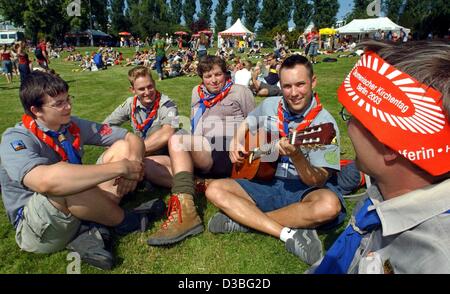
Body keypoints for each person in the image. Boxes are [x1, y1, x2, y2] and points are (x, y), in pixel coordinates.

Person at [0, 71, 165, 270]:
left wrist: (135, 164)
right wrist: (121, 168)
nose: (68, 106)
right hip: (37, 229)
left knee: (122, 148)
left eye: (68, 99)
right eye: (59, 103)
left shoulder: (70, 125)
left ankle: (95, 228)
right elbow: (44, 182)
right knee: (64, 178)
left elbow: (131, 138)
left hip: (73, 204)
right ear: (36, 110)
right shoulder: (16, 139)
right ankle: (125, 221)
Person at [311, 41, 450, 274]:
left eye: (354, 116)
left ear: (391, 146)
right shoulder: (382, 194)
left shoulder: (434, 261)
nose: (348, 124)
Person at [205, 55, 346, 266]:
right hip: (267, 183)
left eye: (300, 84)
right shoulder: (271, 104)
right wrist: (236, 139)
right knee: (214, 189)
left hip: (304, 191)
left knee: (329, 206)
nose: (294, 93)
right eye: (287, 86)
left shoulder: (325, 126)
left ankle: (246, 220)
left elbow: (318, 180)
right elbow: (249, 121)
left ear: (313, 82)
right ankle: (286, 230)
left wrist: (297, 156)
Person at [147, 55, 256, 246]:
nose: (214, 80)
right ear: (201, 77)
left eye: (218, 74)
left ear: (226, 74)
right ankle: (202, 184)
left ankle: (185, 213)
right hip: (202, 148)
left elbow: (253, 122)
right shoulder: (196, 92)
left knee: (177, 140)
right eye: (208, 76)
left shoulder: (240, 92)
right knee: (149, 165)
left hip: (225, 150)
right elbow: (196, 124)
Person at [103, 66, 178, 188]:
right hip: (139, 156)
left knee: (141, 165)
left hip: (162, 155)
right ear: (132, 90)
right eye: (141, 89)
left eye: (150, 86)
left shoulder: (169, 104)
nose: (147, 92)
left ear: (154, 83)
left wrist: (135, 152)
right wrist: (116, 143)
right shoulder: (130, 104)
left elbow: (167, 133)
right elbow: (105, 127)